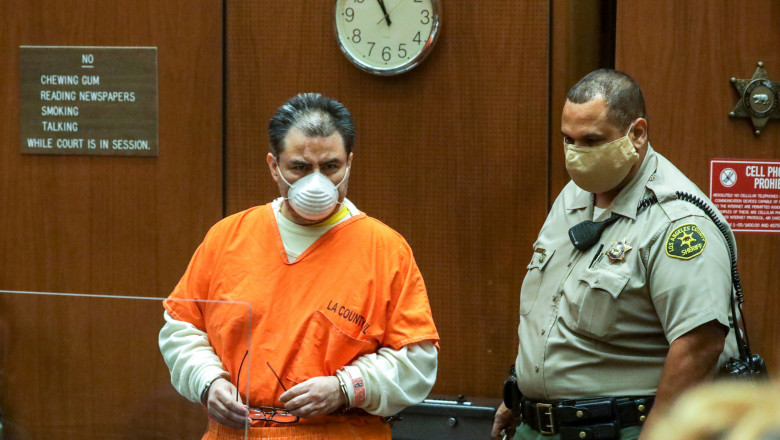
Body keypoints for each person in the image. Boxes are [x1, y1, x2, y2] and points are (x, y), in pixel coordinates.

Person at [160, 93, 439, 440]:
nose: (317, 182)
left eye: (331, 167)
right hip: (235, 431)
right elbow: (181, 328)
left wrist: (345, 388)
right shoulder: (228, 237)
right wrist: (207, 381)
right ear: (273, 165)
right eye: (300, 167)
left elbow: (417, 361)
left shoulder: (385, 250)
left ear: (350, 163)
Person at [492, 69, 738, 440]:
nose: (576, 155)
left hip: (621, 428)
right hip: (538, 425)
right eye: (568, 139)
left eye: (592, 140)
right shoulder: (574, 196)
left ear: (637, 134)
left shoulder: (679, 222)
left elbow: (699, 346)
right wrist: (521, 390)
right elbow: (552, 304)